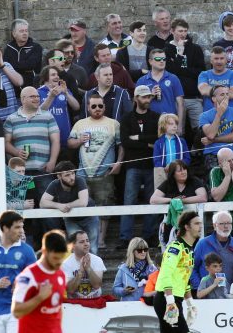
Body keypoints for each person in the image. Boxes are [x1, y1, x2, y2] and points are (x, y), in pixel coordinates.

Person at [68, 93, 123, 250]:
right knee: (80, 208)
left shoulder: (114, 123)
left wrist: (119, 163)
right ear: (88, 107)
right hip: (82, 174)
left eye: (100, 106)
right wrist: (79, 141)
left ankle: (100, 240)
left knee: (104, 206)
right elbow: (69, 143)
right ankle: (81, 242)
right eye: (94, 106)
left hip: (104, 174)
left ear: (104, 107)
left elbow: (121, 145)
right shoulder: (80, 123)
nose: (97, 109)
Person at [0, 210, 36, 333]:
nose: (21, 231)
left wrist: (21, 284)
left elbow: (35, 280)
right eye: (17, 227)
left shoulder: (27, 251)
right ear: (5, 228)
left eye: (22, 227)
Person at [119, 85, 160, 249]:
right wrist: (147, 143)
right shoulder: (126, 118)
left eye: (149, 97)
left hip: (151, 164)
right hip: (133, 165)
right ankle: (124, 237)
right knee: (129, 200)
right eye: (144, 97)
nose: (147, 100)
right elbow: (125, 142)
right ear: (136, 98)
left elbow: (158, 139)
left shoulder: (156, 117)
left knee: (151, 200)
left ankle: (149, 235)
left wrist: (138, 138)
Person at [4, 86, 60, 197]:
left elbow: (56, 141)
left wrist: (52, 161)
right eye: (32, 96)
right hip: (20, 172)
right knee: (21, 204)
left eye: (38, 96)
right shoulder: (11, 118)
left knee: (47, 203)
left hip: (43, 169)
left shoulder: (47, 116)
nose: (37, 99)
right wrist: (16, 152)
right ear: (23, 99)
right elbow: (5, 143)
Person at [12, 230, 68, 333]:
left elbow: (57, 308)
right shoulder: (28, 276)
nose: (59, 262)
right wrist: (40, 297)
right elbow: (16, 311)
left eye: (61, 258)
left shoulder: (61, 274)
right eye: (55, 258)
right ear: (44, 251)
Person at [154, 211, 202, 333]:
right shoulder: (176, 247)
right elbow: (165, 273)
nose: (200, 226)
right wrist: (170, 302)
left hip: (175, 299)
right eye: (196, 224)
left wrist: (190, 303)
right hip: (166, 299)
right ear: (187, 226)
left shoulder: (188, 249)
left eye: (200, 223)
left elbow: (184, 279)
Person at [40, 161, 100, 250]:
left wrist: (66, 205)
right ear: (59, 176)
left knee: (93, 248)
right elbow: (42, 203)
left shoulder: (80, 180)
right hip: (71, 219)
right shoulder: (55, 184)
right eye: (67, 175)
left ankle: (91, 264)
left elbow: (83, 202)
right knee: (75, 247)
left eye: (72, 173)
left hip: (90, 217)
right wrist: (59, 206)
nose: (72, 177)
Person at [164, 18, 206, 131]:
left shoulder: (195, 49)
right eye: (180, 31)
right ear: (172, 31)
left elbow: (200, 72)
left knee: (201, 130)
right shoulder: (166, 50)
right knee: (177, 130)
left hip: (194, 97)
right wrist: (180, 53)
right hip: (175, 98)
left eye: (185, 31)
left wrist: (181, 69)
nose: (183, 34)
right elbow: (170, 73)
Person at [191, 211, 233, 294]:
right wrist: (200, 287)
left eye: (228, 223)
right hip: (207, 297)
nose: (226, 226)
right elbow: (192, 268)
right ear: (214, 225)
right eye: (222, 223)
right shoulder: (202, 244)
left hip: (231, 297)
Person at [199, 84, 233, 170]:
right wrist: (219, 114)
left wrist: (213, 140)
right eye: (222, 94)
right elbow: (211, 135)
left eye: (227, 94)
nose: (226, 97)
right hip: (213, 154)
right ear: (214, 98)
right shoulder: (204, 115)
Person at [37, 65, 79, 150]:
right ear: (45, 78)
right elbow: (38, 112)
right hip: (47, 139)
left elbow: (76, 107)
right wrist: (51, 96)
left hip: (65, 138)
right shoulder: (38, 92)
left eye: (57, 74)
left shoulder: (63, 91)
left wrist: (66, 93)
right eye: (53, 75)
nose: (57, 76)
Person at [137, 48, 184, 119]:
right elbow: (137, 104)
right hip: (148, 121)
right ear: (150, 61)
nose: (162, 61)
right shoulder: (142, 81)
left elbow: (180, 104)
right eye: (158, 59)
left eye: (164, 59)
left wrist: (180, 125)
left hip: (169, 122)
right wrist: (150, 96)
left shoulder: (173, 78)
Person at [62, 230, 106, 299]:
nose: (86, 244)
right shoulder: (66, 264)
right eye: (82, 242)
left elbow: (97, 285)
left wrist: (88, 268)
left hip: (95, 302)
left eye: (87, 241)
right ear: (73, 246)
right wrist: (80, 272)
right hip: (75, 305)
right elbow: (70, 290)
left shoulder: (97, 260)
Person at [198, 46, 233, 112]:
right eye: (216, 58)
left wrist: (212, 92)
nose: (219, 61)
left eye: (222, 58)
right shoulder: (204, 74)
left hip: (230, 115)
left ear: (226, 60)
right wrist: (225, 93)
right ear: (211, 61)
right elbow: (203, 90)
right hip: (209, 116)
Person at [113, 237, 157, 301]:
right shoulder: (123, 268)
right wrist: (124, 291)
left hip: (147, 305)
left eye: (145, 249)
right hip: (128, 306)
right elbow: (115, 288)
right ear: (132, 251)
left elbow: (159, 287)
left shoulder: (152, 268)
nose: (143, 252)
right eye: (139, 250)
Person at [153, 113, 190, 189]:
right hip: (163, 172)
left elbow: (187, 159)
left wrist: (175, 166)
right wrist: (165, 168)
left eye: (176, 124)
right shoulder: (158, 143)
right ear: (163, 126)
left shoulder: (182, 141)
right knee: (158, 169)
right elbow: (156, 160)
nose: (174, 126)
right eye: (171, 124)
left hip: (178, 171)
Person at [3, 19, 43, 90]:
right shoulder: (8, 49)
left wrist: (13, 66)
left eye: (26, 31)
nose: (25, 33)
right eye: (21, 31)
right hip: (13, 89)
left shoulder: (36, 47)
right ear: (14, 34)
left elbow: (30, 65)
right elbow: (5, 66)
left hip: (32, 86)